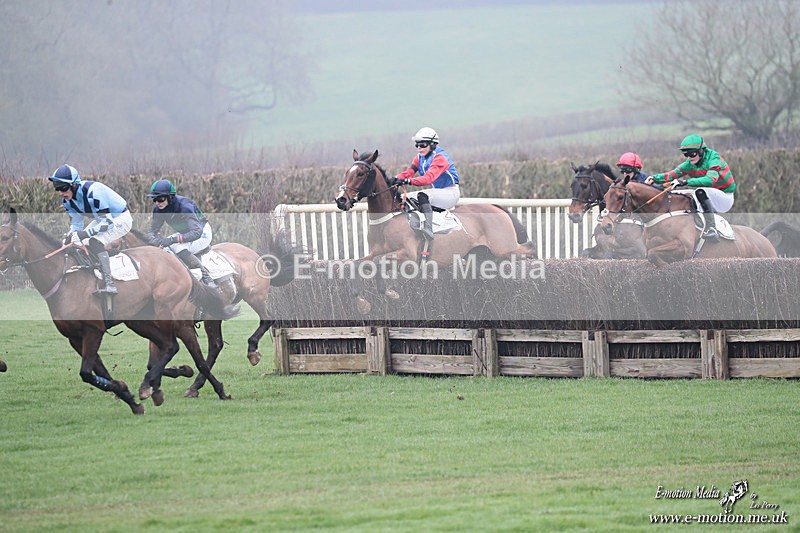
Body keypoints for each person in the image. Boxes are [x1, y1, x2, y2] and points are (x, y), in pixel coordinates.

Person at [49, 164, 132, 294]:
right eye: (57, 188)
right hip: (102, 220)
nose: (60, 192)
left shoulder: (94, 192)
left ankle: (110, 283)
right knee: (75, 243)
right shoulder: (67, 202)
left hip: (121, 218)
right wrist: (69, 237)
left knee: (95, 241)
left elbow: (108, 223)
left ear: (74, 185)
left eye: (63, 188)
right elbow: (76, 225)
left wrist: (84, 234)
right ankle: (94, 271)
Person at [646, 134, 736, 241]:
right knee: (678, 195)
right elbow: (672, 174)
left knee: (700, 192)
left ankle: (711, 229)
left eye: (692, 154)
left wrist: (684, 182)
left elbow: (710, 180)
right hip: (710, 195)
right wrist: (654, 178)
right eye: (686, 154)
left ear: (701, 150)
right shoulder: (690, 163)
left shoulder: (714, 158)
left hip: (724, 197)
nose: (689, 157)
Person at [387, 127, 460, 239]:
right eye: (417, 145)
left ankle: (428, 229)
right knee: (403, 198)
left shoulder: (440, 157)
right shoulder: (419, 157)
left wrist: (407, 181)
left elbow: (428, 179)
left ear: (432, 144)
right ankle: (412, 225)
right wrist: (394, 179)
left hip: (450, 192)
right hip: (437, 192)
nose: (419, 148)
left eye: (422, 145)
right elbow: (409, 172)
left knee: (422, 196)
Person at [145, 179, 217, 288]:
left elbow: (196, 232)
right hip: (186, 232)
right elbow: (151, 231)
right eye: (154, 199)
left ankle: (207, 278)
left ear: (171, 197)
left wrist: (172, 240)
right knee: (164, 249)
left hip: (202, 232)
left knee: (177, 247)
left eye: (160, 199)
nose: (157, 203)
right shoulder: (158, 209)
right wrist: (156, 242)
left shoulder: (185, 206)